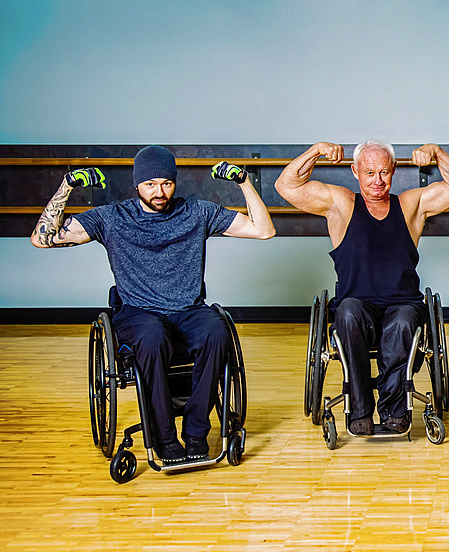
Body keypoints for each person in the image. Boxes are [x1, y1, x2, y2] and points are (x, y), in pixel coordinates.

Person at [31, 146, 275, 464]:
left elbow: (264, 230)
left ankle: (196, 433)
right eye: (150, 185)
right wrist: (67, 185)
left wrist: (243, 181)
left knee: (217, 331)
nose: (159, 192)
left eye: (166, 183)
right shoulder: (111, 218)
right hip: (137, 312)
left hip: (187, 309)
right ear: (137, 185)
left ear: (174, 183)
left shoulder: (197, 213)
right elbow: (42, 238)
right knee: (151, 336)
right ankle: (164, 437)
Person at [276, 140, 449, 435]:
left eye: (383, 172)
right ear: (355, 171)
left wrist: (437, 152)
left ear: (393, 170)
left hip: (403, 304)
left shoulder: (409, 205)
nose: (377, 181)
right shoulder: (340, 204)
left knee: (404, 323)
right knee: (348, 312)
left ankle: (395, 413)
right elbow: (287, 186)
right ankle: (360, 412)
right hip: (357, 305)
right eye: (369, 173)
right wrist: (315, 151)